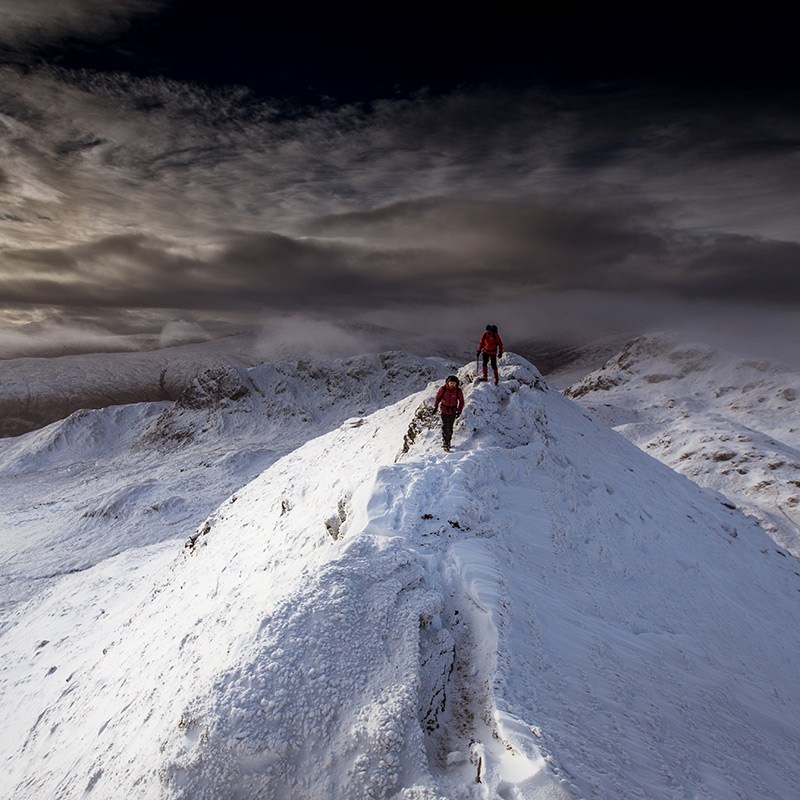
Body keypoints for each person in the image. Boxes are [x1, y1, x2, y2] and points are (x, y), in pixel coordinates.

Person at [433, 375, 464, 452]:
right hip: (444, 410)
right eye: (451, 383)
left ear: (456, 384)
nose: (452, 385)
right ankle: (445, 442)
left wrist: (459, 411)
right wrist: (435, 407)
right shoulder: (443, 389)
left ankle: (448, 441)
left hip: (453, 411)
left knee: (450, 427)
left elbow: (461, 401)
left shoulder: (458, 391)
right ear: (447, 382)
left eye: (454, 383)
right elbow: (438, 398)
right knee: (444, 426)